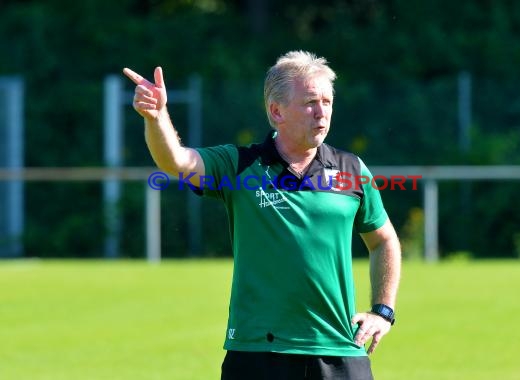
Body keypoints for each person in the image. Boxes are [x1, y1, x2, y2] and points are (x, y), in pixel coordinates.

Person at [123, 51, 401, 380]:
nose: (321, 112)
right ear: (276, 111)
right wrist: (156, 118)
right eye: (311, 102)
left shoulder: (351, 169)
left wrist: (382, 311)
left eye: (327, 101)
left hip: (340, 349)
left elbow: (383, 240)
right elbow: (177, 162)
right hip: (258, 352)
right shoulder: (238, 165)